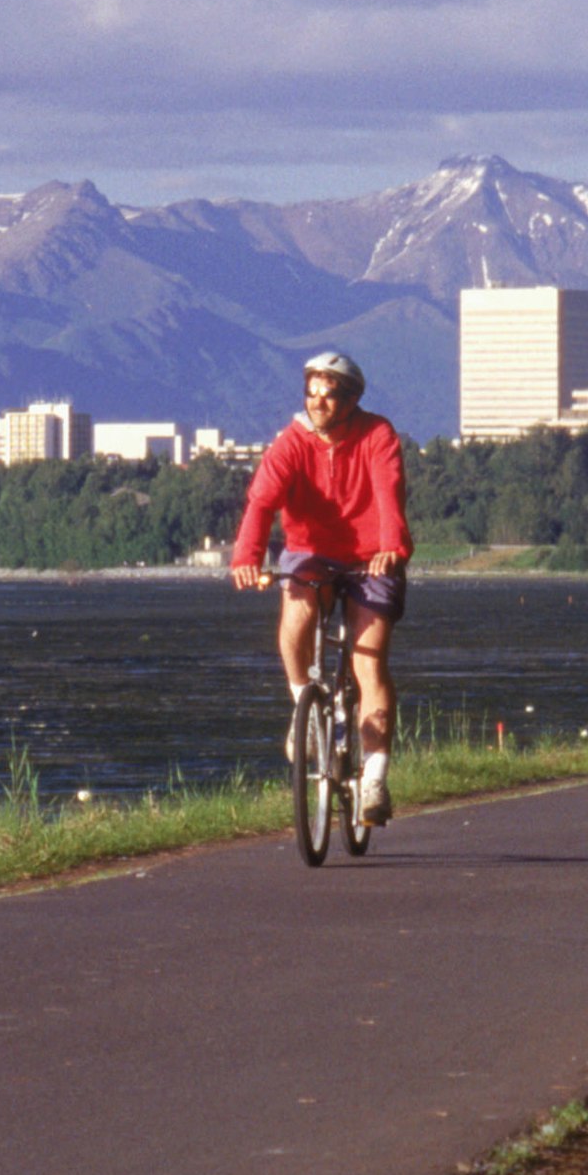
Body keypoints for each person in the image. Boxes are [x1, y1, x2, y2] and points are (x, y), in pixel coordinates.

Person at [230, 348, 412, 824]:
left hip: (372, 554)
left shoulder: (377, 435)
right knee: (297, 612)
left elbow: (389, 491)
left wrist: (392, 546)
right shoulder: (290, 443)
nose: (317, 403)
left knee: (368, 663)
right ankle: (305, 710)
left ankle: (373, 779)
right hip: (311, 551)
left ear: (351, 400)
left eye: (329, 396)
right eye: (311, 394)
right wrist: (247, 558)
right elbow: (261, 502)